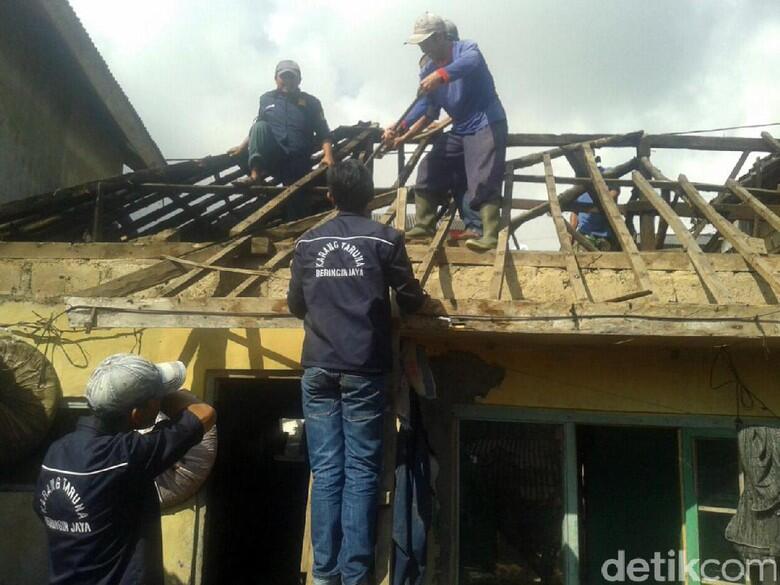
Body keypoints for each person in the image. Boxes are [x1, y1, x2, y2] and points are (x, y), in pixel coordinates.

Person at [287, 159, 427, 585]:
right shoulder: (385, 239)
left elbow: (297, 305)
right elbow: (411, 297)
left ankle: (325, 573)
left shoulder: (307, 244)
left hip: (319, 367)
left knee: (327, 470)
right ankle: (355, 573)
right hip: (364, 368)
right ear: (371, 197)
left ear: (330, 196)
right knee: (362, 471)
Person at [33, 354, 216, 585]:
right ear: (136, 414)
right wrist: (162, 395)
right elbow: (204, 413)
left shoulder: (57, 451)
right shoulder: (126, 457)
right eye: (154, 401)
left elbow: (42, 511)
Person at [383, 13, 508, 250]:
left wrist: (441, 76)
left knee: (483, 176)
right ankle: (424, 224)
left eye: (426, 41)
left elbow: (470, 63)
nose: (422, 46)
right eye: (419, 42)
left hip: (485, 121)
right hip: (461, 127)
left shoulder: (466, 49)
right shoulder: (427, 70)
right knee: (431, 165)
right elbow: (427, 109)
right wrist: (399, 128)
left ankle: (489, 234)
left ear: (440, 37)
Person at [229, 59, 335, 219]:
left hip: (298, 161)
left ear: (299, 80)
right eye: (283, 77)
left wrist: (328, 155)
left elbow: (323, 132)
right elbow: (257, 126)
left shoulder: (311, 103)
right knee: (260, 126)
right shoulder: (266, 99)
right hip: (275, 157)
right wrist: (242, 147)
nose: (288, 81)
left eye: (292, 77)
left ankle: (295, 231)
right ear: (276, 78)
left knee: (296, 204)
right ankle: (255, 174)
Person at [569, 157, 619, 250]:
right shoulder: (578, 182)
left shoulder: (607, 173)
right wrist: (570, 237)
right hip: (584, 234)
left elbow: (615, 192)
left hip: (605, 235)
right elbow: (574, 213)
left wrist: (602, 201)